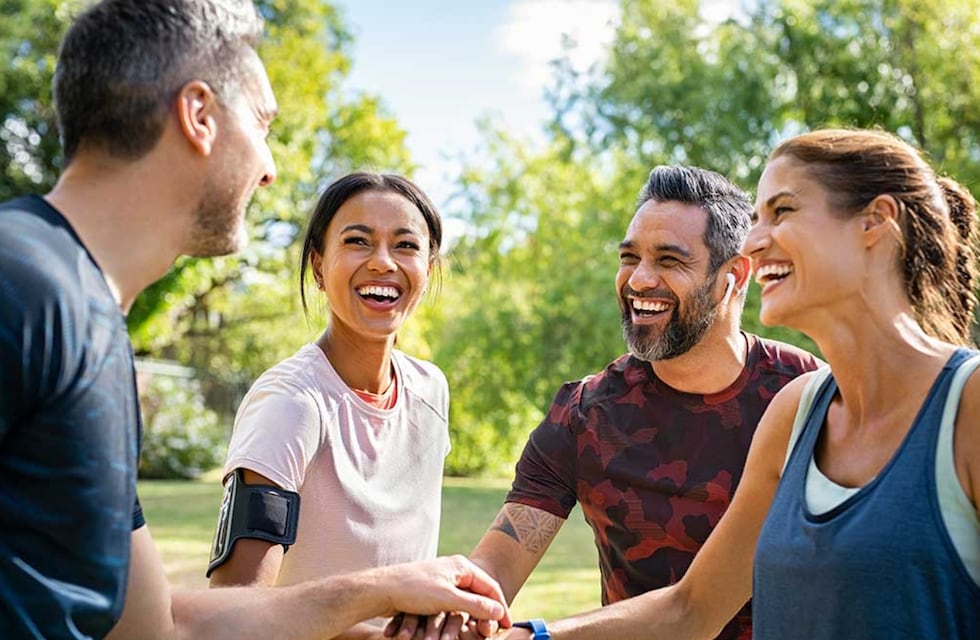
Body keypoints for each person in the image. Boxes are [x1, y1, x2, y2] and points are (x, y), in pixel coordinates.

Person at [0, 2, 510, 639]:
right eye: (262, 123)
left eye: (406, 245)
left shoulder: (93, 330)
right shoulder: (23, 291)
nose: (269, 168)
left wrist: (382, 594)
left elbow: (160, 628)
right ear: (199, 116)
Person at [492, 129, 980, 640]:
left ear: (874, 224)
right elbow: (691, 610)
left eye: (783, 212)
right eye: (757, 219)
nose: (752, 241)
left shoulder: (965, 407)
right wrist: (530, 636)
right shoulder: (798, 412)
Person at [390, 165, 821, 640]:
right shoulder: (585, 414)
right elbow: (495, 569)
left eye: (669, 260)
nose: (638, 280)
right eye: (629, 257)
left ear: (733, 277)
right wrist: (451, 614)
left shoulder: (808, 396)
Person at [208, 173, 452, 639]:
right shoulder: (289, 404)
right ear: (319, 267)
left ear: (429, 266)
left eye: (405, 246)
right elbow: (232, 612)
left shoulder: (430, 391)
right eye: (358, 241)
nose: (383, 263)